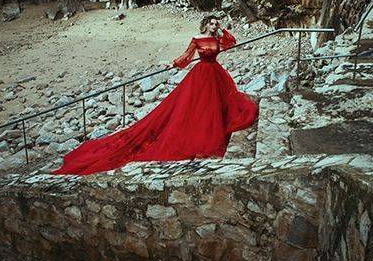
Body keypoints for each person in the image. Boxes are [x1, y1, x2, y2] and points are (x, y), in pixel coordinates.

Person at [52, 14, 258, 175]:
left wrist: (222, 30)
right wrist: (174, 64)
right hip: (202, 74)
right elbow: (186, 57)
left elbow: (230, 43)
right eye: (212, 24)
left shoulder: (216, 39)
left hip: (215, 74)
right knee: (198, 107)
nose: (215, 26)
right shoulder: (197, 39)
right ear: (205, 25)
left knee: (216, 105)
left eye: (216, 24)